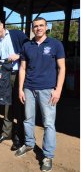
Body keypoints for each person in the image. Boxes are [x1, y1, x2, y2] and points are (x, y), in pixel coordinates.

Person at [15, 17, 65, 172]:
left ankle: (48, 155)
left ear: (46, 27)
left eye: (41, 25)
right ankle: (29, 144)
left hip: (48, 89)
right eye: (35, 26)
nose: (38, 28)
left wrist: (58, 90)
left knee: (48, 123)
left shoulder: (56, 44)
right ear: (32, 28)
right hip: (29, 88)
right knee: (28, 119)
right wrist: (20, 89)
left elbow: (62, 68)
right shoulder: (27, 46)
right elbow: (22, 69)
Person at [0, 19, 28, 151]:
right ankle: (6, 134)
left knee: (19, 106)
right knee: (7, 105)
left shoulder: (17, 34)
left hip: (19, 74)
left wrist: (18, 55)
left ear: (2, 25)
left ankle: (19, 137)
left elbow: (29, 48)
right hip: (5, 76)